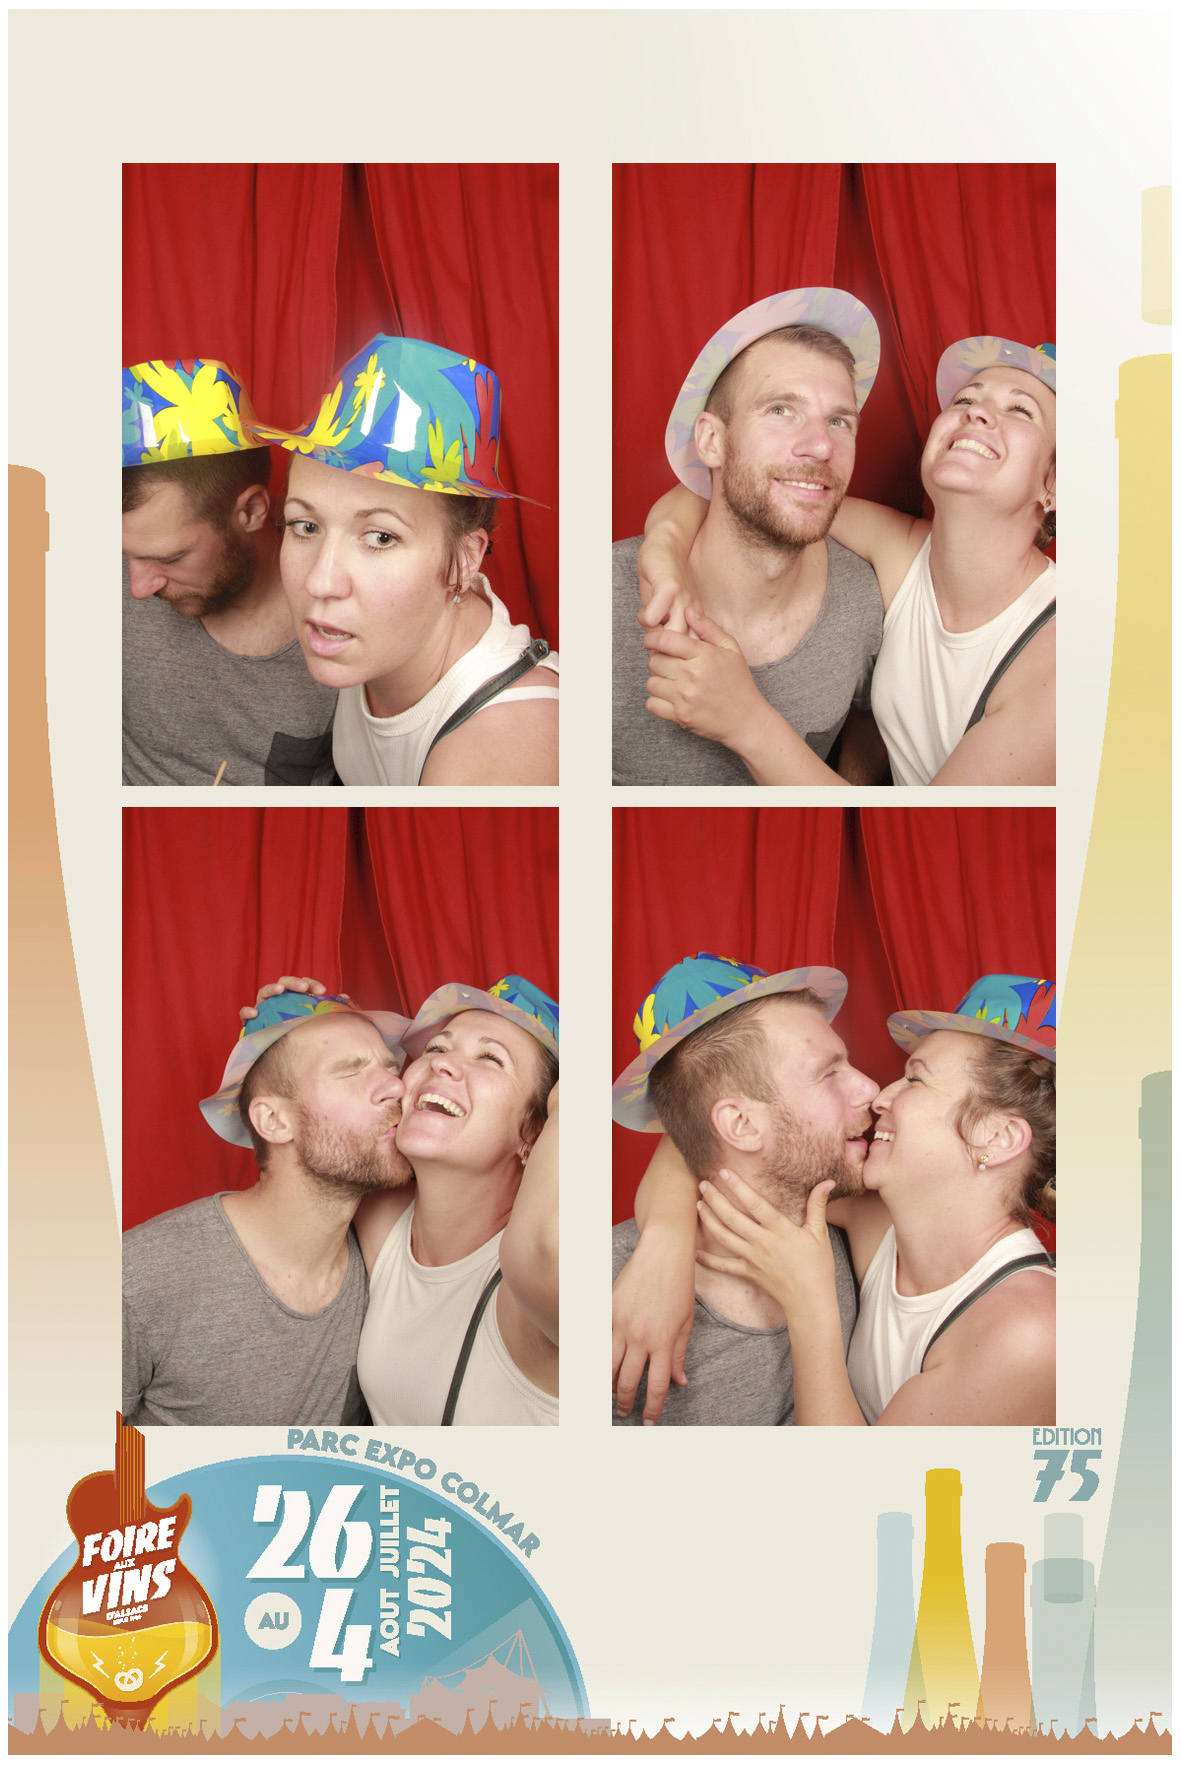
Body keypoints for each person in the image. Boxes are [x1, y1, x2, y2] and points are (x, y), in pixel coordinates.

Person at [622, 975, 1056, 1427]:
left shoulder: (1031, 1331)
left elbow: (855, 1480)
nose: (879, 1094)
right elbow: (722, 1144)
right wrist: (662, 1247)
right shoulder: (879, 1222)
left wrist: (810, 1302)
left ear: (999, 1137)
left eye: (915, 1079)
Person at [639, 337, 1056, 786]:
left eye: (1021, 410)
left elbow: (930, 825)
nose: (976, 412)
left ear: (1053, 486)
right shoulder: (902, 552)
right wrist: (662, 551)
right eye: (965, 400)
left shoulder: (1062, 660)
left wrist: (744, 719)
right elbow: (758, 487)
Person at [612, 289, 887, 787]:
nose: (821, 445)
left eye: (839, 421)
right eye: (781, 410)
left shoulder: (865, 600)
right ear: (711, 441)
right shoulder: (602, 596)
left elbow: (868, 725)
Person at [256, 335, 558, 786]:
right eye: (306, 526)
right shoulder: (387, 638)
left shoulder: (498, 753)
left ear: (465, 560)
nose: (320, 582)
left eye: (380, 537)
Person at [610, 954, 877, 1425]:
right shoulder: (608, 1291)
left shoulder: (856, 1222)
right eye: (829, 1073)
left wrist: (666, 1233)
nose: (871, 1088)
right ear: (741, 1124)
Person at [122, 991, 411, 1426]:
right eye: (350, 1071)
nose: (397, 1087)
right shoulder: (139, 1279)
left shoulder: (391, 1256)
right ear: (274, 1121)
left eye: (391, 1068)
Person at [343, 975, 560, 1426]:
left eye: (490, 1058)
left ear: (534, 1132)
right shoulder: (380, 1215)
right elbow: (300, 1122)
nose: (442, 1064)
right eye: (436, 1048)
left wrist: (667, 1226)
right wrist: (299, 1019)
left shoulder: (530, 1287)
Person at [122, 359, 337, 785]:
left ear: (252, 511)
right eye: (124, 554)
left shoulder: (349, 614)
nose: (138, 588)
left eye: (170, 558)